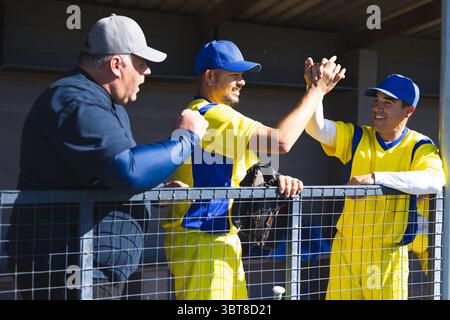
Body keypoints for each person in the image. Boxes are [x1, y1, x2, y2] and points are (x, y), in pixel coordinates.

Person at [5, 14, 208, 300]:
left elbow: (108, 174)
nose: (147, 72)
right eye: (141, 63)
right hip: (70, 270)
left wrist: (155, 192)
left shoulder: (103, 103)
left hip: (88, 268)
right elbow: (128, 170)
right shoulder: (75, 99)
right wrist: (186, 138)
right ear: (116, 64)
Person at [163, 40, 345, 300]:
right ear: (210, 76)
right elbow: (281, 141)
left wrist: (280, 179)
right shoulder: (212, 114)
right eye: (234, 75)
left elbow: (252, 171)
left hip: (221, 238)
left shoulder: (214, 116)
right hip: (202, 240)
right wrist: (316, 91)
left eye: (243, 75)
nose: (242, 82)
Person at [304, 63, 445, 300]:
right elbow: (316, 129)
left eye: (387, 103)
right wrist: (313, 89)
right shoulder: (360, 135)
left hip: (386, 255)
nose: (378, 108)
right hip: (346, 249)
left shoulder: (420, 146)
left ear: (408, 111)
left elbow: (433, 180)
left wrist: (376, 179)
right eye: (376, 101)